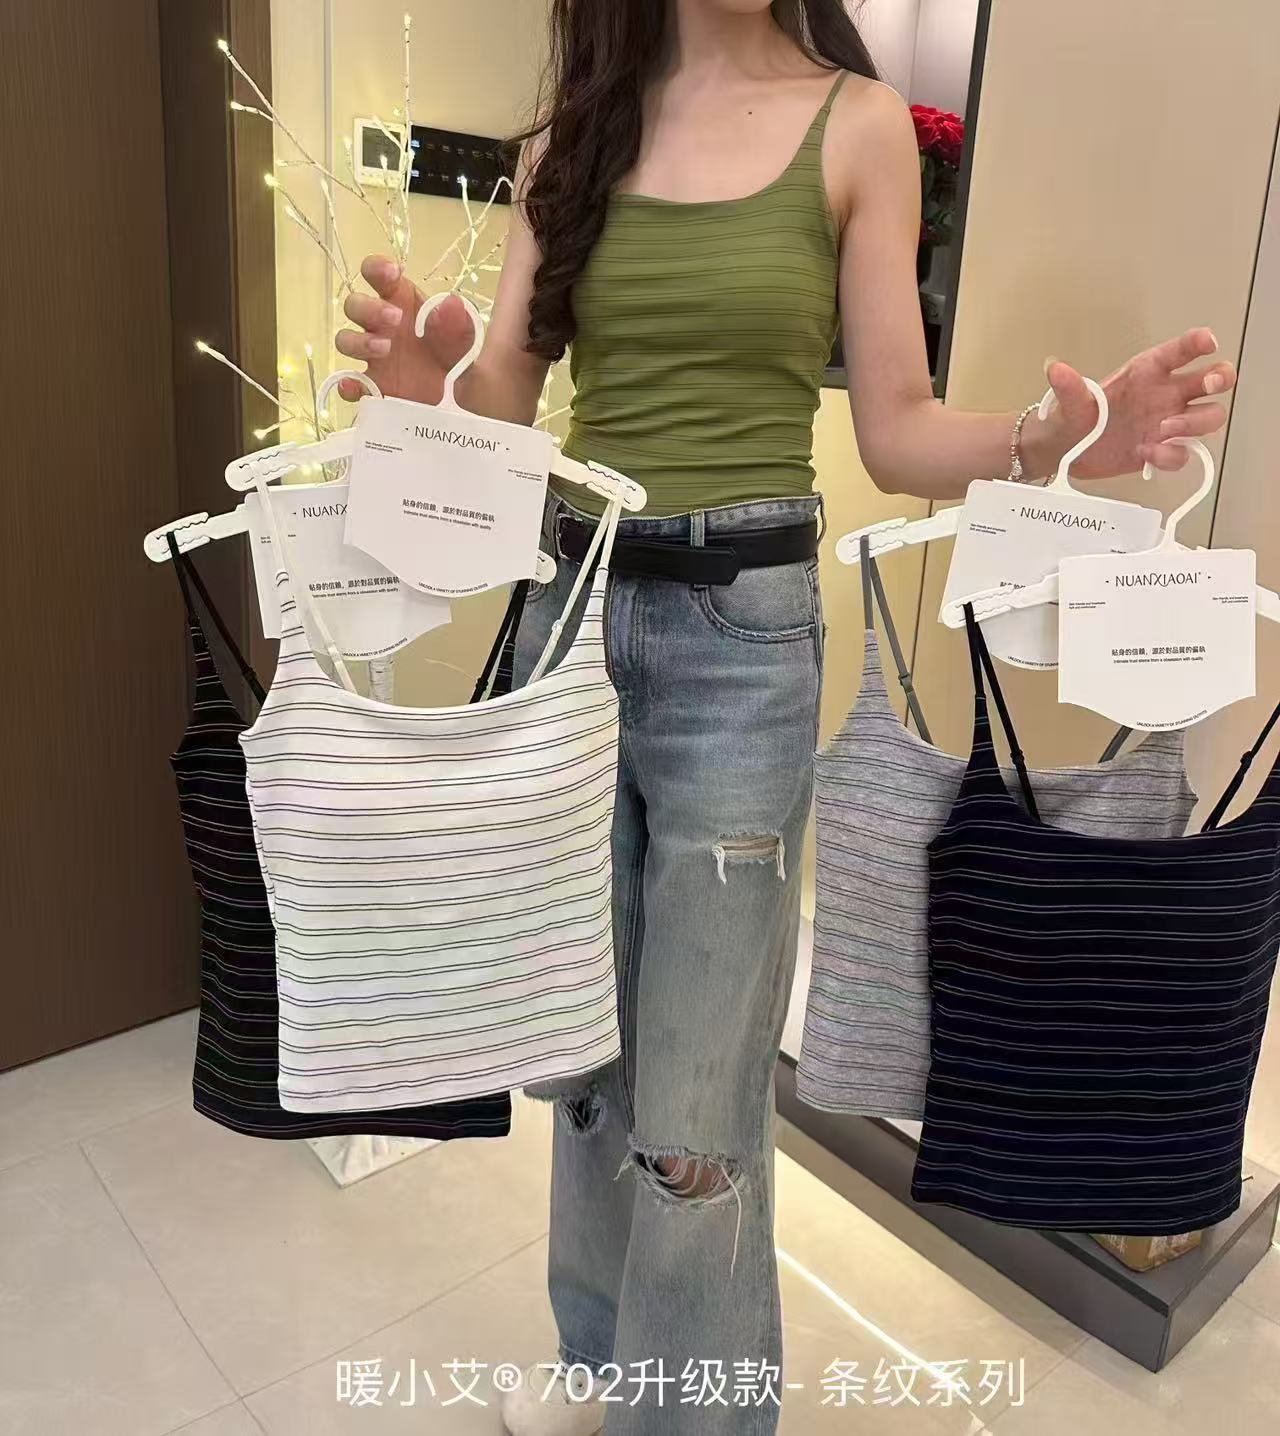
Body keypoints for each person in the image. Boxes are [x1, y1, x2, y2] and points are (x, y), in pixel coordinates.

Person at [335, 4, 1236, 1431]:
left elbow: (896, 427)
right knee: (585, 1058)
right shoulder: (573, 138)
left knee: (697, 1108)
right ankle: (600, 1364)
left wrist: (1062, 439)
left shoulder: (858, 127)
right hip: (574, 616)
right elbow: (507, 391)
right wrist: (429, 392)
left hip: (738, 648)